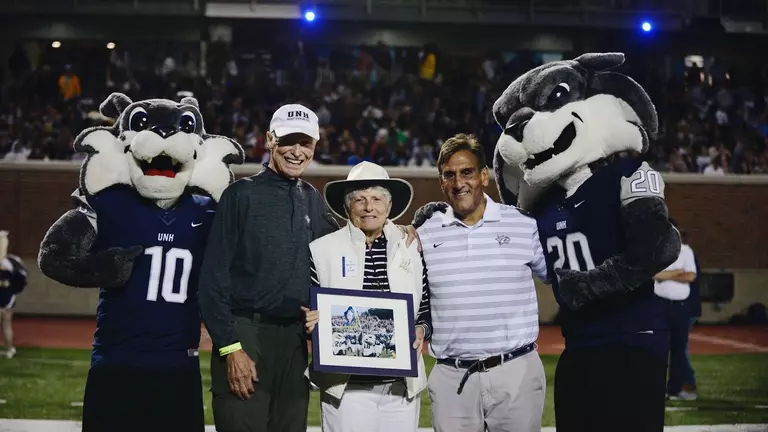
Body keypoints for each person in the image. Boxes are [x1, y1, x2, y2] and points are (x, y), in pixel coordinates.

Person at [197, 103, 339, 432]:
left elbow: (343, 253)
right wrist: (231, 349)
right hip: (246, 334)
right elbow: (212, 281)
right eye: (288, 141)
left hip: (293, 341)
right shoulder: (239, 195)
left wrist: (401, 229)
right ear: (270, 140)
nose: (297, 152)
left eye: (306, 143)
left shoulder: (312, 198)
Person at [413, 134, 548, 432]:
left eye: (467, 172)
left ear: (484, 176)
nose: (458, 182)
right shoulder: (424, 231)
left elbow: (556, 276)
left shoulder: (523, 225)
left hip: (515, 371)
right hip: (452, 377)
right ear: (441, 182)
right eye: (449, 175)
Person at [302, 161, 431, 432]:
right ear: (347, 206)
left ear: (389, 206)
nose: (368, 207)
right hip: (346, 387)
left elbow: (426, 306)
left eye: (376, 199)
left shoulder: (413, 246)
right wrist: (310, 320)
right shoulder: (322, 250)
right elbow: (307, 307)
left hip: (400, 387)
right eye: (360, 199)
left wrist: (422, 328)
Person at [654, 219, 698, 400]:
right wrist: (678, 272)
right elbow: (653, 273)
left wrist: (665, 275)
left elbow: (690, 276)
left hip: (680, 307)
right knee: (657, 348)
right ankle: (655, 388)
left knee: (678, 350)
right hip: (658, 305)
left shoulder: (686, 251)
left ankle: (675, 389)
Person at [0, 230, 28, 359]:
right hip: (8, 295)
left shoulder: (10, 261)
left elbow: (21, 278)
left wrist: (14, 289)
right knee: (6, 324)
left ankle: (10, 348)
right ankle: (10, 349)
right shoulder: (12, 261)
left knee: (6, 323)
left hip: (6, 296)